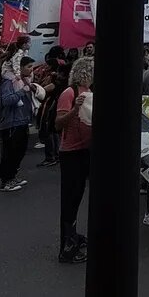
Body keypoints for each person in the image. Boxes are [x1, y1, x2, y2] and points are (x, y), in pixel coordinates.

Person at [57, 57, 93, 263]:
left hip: (86, 150)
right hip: (71, 153)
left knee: (79, 196)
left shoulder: (90, 93)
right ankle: (66, 246)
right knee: (70, 200)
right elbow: (58, 124)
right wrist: (74, 109)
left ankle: (74, 238)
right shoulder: (69, 93)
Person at [0, 57, 35, 192]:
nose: (31, 70)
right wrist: (22, 91)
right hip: (12, 122)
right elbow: (6, 100)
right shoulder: (9, 82)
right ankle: (6, 181)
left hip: (23, 120)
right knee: (10, 152)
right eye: (29, 66)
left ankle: (12, 176)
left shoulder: (25, 81)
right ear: (20, 67)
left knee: (20, 151)